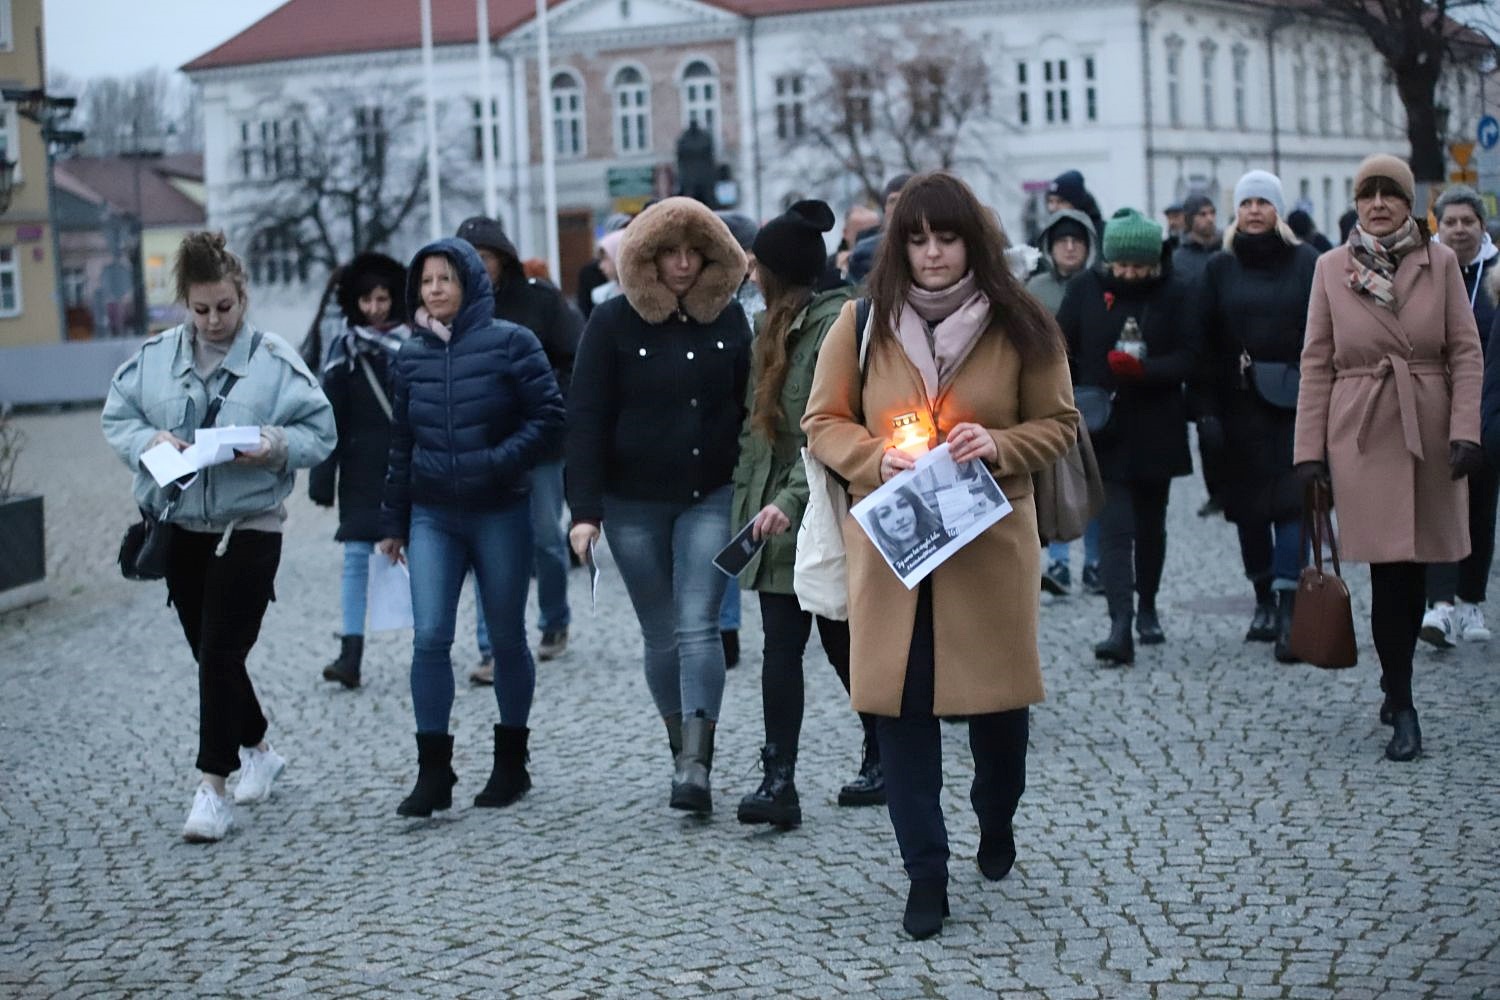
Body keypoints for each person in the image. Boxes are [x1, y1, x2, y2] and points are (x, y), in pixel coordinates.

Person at [803, 171, 1079, 939]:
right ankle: (925, 872)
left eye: (946, 236)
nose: (931, 253)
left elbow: (1059, 423)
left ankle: (997, 813)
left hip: (988, 545)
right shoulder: (860, 323)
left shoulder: (1024, 325)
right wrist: (870, 457)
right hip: (895, 549)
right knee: (900, 708)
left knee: (998, 715)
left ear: (972, 243)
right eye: (917, 238)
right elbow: (822, 420)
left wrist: (999, 442)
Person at [102, 231, 336, 842]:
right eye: (201, 309)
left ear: (242, 296)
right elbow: (117, 417)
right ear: (185, 302)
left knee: (221, 653)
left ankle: (212, 787)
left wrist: (274, 445)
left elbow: (321, 431)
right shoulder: (154, 359)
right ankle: (259, 748)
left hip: (250, 528)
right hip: (181, 529)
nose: (213, 321)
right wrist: (149, 443)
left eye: (224, 308)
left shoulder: (274, 361)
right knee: (212, 656)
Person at [1294, 153, 1485, 762]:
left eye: (1391, 193)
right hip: (1362, 429)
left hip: (1428, 426)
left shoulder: (1442, 263)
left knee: (1419, 566)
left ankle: (1394, 679)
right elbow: (1316, 362)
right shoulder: (1331, 267)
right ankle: (1402, 701)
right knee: (1386, 573)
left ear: (1410, 203)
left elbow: (1466, 351)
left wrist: (1465, 429)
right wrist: (1309, 452)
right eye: (1367, 193)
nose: (1378, 204)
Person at [566, 197, 751, 815]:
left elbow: (749, 411)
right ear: (645, 256)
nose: (680, 264)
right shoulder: (612, 323)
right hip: (632, 501)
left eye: (692, 252)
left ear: (709, 255)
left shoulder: (729, 322)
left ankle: (697, 764)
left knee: (699, 624)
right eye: (668, 252)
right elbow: (586, 418)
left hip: (710, 493)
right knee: (660, 633)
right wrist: (584, 511)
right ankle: (680, 746)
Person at [377, 238, 565, 817]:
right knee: (430, 636)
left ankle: (512, 762)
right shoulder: (408, 356)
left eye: (445, 279)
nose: (434, 289)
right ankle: (434, 771)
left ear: (471, 285)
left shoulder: (513, 343)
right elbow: (402, 441)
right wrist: (394, 519)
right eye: (426, 281)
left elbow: (550, 417)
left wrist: (497, 460)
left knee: (506, 636)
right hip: (433, 513)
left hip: (500, 510)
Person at [728, 199, 883, 828]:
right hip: (770, 515)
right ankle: (779, 780)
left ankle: (882, 754)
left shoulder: (835, 326)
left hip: (820, 508)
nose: (748, 276)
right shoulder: (768, 326)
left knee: (842, 638)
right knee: (780, 648)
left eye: (756, 266)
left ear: (778, 272)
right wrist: (749, 502)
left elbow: (826, 429)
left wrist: (785, 502)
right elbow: (756, 431)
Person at [1057, 209, 1198, 666]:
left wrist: (1147, 370)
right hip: (1104, 428)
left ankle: (1149, 606)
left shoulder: (1174, 293)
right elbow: (1062, 351)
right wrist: (1076, 397)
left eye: (1140, 267)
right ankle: (1120, 622)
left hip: (1157, 424)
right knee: (1115, 528)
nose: (1131, 274)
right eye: (1124, 266)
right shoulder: (1085, 291)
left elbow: (1191, 357)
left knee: (1150, 525)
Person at [1196, 170, 1318, 662]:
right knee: (1249, 509)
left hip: (1298, 403)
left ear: (1278, 211)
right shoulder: (1218, 269)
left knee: (1294, 504)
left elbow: (1323, 331)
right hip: (1238, 404)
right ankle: (1263, 600)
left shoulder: (1306, 262)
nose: (1253, 211)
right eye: (1246, 202)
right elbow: (1201, 343)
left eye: (1263, 203)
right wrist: (1203, 410)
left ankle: (1290, 606)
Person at [456, 216, 583, 677]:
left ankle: (554, 619)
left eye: (484, 258)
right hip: (480, 446)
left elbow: (573, 358)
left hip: (538, 443)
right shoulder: (455, 308)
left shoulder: (539, 299)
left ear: (501, 259)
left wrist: (547, 401)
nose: (477, 267)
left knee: (546, 539)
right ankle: (492, 647)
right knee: (486, 547)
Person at [307, 253, 410, 688]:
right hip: (359, 470)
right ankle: (351, 653)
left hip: (408, 467)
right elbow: (330, 418)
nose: (375, 308)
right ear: (355, 302)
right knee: (354, 560)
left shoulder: (415, 346)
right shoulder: (342, 351)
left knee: (421, 559)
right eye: (367, 300)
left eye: (383, 298)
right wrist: (321, 477)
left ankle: (431, 644)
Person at [1417, 185, 1498, 647]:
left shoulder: (1497, 275)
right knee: (1440, 503)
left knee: (1482, 507)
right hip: (1435, 406)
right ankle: (1440, 605)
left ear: (1482, 227)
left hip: (1487, 406)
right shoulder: (1425, 272)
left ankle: (1470, 602)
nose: (1460, 229)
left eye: (1469, 221)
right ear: (1438, 227)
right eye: (1451, 221)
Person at [1027, 209, 1103, 596]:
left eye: (1077, 241)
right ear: (1050, 247)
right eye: (1062, 241)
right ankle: (1058, 561)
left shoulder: (1100, 286)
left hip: (1093, 396)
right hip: (1048, 398)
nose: (1070, 247)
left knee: (1093, 481)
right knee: (1057, 482)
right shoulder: (1035, 289)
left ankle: (1094, 562)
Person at [715, 210, 764, 669]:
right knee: (721, 529)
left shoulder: (763, 297)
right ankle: (725, 626)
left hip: (758, 421)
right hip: (719, 425)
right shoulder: (708, 299)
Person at [1171, 194, 1219, 285]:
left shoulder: (1226, 252)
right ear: (1190, 219)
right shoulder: (1178, 260)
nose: (1210, 219)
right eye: (1203, 214)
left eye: (1212, 213)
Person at [1045, 169, 1106, 241]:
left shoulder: (1103, 235)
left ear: (1077, 203)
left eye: (1061, 201)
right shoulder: (1045, 236)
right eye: (1050, 201)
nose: (1053, 208)